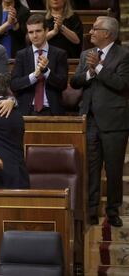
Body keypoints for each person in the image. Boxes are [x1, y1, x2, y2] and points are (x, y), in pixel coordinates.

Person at [70, 16, 129, 227]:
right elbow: (74, 82)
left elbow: (122, 84)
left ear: (108, 34)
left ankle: (113, 211)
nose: (91, 32)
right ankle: (92, 209)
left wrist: (100, 69)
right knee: (91, 168)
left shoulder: (124, 55)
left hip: (115, 122)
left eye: (95, 29)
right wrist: (89, 72)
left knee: (113, 170)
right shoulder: (86, 54)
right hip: (90, 120)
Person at [11, 14, 68, 116]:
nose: (34, 35)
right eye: (31, 32)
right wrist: (34, 76)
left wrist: (46, 71)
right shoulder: (21, 55)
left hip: (52, 111)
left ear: (46, 31)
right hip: (27, 111)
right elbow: (14, 84)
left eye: (38, 31)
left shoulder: (59, 54)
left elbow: (62, 84)